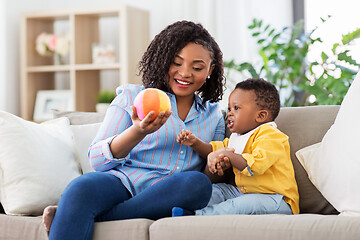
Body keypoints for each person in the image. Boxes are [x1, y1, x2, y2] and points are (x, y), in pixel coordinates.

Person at [42, 20, 226, 239]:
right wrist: (138, 131)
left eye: (197, 67)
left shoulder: (213, 114)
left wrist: (217, 166)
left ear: (210, 70)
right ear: (163, 59)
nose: (185, 73)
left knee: (199, 184)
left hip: (172, 190)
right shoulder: (132, 96)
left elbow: (209, 174)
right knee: (81, 188)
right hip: (122, 182)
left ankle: (80, 215)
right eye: (176, 63)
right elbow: (98, 161)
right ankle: (75, 211)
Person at [173, 78, 299, 216]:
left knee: (238, 206)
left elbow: (256, 165)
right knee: (216, 190)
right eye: (229, 108)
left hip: (275, 199)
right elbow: (214, 150)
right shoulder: (238, 137)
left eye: (236, 108)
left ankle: (195, 216)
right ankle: (186, 207)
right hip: (242, 193)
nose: (230, 113)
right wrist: (195, 143)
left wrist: (228, 155)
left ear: (261, 115)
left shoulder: (271, 136)